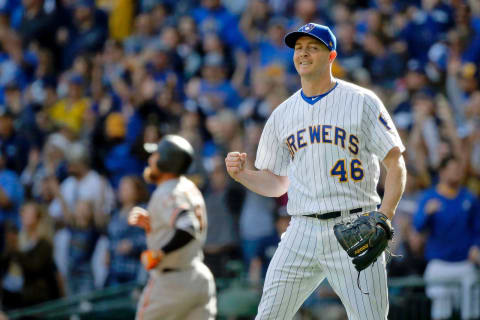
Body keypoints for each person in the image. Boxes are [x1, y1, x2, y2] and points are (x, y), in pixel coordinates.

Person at [225, 23, 407, 319]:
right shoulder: (282, 114)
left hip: (355, 223)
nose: (303, 53)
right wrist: (243, 175)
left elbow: (395, 162)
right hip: (302, 229)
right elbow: (277, 184)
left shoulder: (361, 101)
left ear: (331, 55)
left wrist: (384, 216)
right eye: (298, 48)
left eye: (313, 47)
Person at [128, 134, 216, 320]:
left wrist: (161, 252)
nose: (150, 160)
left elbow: (187, 227)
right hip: (198, 278)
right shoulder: (188, 187)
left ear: (166, 162)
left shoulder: (167, 191)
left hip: (171, 283)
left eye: (155, 156)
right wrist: (155, 222)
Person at [413, 155, 480, 320]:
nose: (456, 173)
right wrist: (427, 213)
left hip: (464, 262)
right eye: (452, 169)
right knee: (441, 314)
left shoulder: (469, 198)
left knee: (471, 313)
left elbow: (477, 228)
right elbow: (418, 226)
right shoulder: (430, 197)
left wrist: (476, 246)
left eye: (458, 169)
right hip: (439, 263)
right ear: (442, 172)